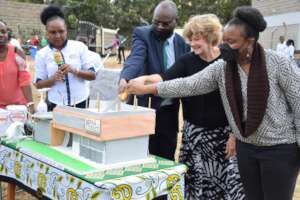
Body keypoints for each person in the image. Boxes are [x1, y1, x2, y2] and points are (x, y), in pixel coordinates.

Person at [127, 6, 300, 200]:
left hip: (279, 149)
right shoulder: (223, 68)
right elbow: (189, 85)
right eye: (224, 40)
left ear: (250, 41)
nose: (224, 46)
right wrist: (149, 88)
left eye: (231, 42)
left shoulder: (278, 63)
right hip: (247, 148)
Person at [129, 14, 245, 199]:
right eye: (190, 38)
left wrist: (234, 135)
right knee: (195, 186)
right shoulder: (186, 60)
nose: (192, 43)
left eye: (196, 38)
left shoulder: (227, 60)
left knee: (224, 186)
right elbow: (165, 79)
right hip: (195, 138)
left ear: (210, 36)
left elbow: (240, 101)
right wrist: (142, 80)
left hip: (222, 137)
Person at [119, 0, 190, 161]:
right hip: (145, 107)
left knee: (166, 154)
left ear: (175, 22)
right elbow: (136, 58)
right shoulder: (143, 34)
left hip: (170, 109)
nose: (159, 27)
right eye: (156, 22)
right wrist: (125, 77)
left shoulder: (182, 43)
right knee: (140, 156)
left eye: (165, 24)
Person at [34, 6, 98, 111]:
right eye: (53, 32)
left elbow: (92, 75)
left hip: (81, 102)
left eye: (61, 31)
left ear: (66, 30)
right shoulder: (42, 54)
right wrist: (53, 79)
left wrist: (75, 71)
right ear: (46, 33)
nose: (58, 35)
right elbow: (38, 84)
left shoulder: (79, 47)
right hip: (55, 104)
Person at [0, 20, 34, 113]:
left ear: (7, 34)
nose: (1, 35)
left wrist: (30, 104)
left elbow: (24, 80)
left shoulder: (17, 52)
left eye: (3, 31)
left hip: (17, 108)